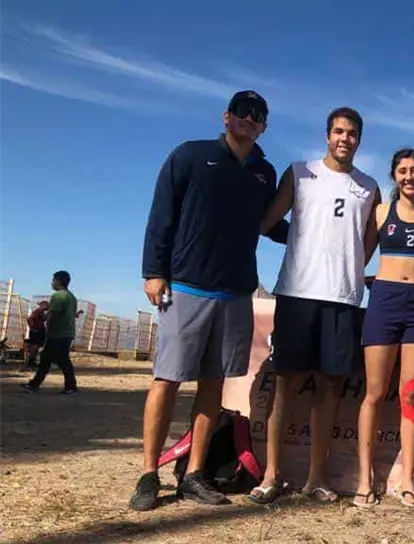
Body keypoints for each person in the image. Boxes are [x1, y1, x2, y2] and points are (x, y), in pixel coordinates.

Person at [130, 90, 289, 511]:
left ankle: (195, 473)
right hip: (186, 285)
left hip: (237, 291)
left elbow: (269, 225)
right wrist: (154, 271)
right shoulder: (190, 156)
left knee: (213, 385)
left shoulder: (264, 173)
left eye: (257, 115)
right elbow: (161, 214)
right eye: (242, 112)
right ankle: (149, 474)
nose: (248, 120)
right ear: (226, 116)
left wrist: (318, 237)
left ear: (264, 126)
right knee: (166, 379)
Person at [248, 106, 381, 506]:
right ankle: (272, 474)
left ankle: (316, 477)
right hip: (297, 293)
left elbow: (369, 238)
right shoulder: (300, 172)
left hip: (341, 298)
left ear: (359, 139)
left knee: (330, 387)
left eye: (352, 133)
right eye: (338, 131)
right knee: (286, 382)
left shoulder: (369, 186)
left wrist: (353, 267)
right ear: (327, 136)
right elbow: (266, 220)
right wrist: (299, 241)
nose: (345, 139)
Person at [352, 148, 414, 508]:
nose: (409, 177)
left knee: (410, 393)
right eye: (403, 171)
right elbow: (359, 255)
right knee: (374, 392)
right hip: (384, 302)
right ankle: (364, 479)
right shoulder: (379, 212)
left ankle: (407, 479)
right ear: (394, 176)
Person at [22, 271, 78, 394]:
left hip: (58, 333)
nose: (51, 282)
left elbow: (55, 315)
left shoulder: (58, 296)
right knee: (48, 358)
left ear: (58, 281)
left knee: (61, 359)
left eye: (53, 280)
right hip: (68, 332)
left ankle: (70, 386)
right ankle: (34, 385)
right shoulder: (72, 297)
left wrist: (49, 330)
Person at [24, 300, 49, 367]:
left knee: (36, 346)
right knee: (35, 345)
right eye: (47, 305)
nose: (48, 307)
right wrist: (34, 328)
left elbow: (42, 319)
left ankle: (32, 360)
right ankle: (31, 360)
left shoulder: (39, 311)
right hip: (37, 332)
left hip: (37, 331)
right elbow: (30, 319)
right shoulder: (39, 311)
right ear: (44, 305)